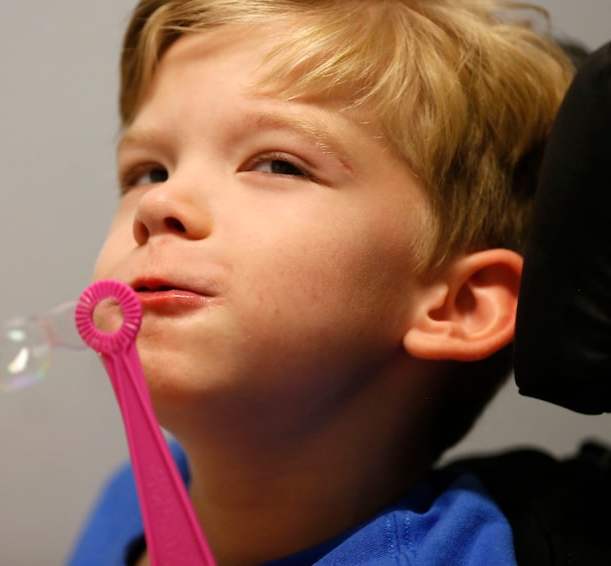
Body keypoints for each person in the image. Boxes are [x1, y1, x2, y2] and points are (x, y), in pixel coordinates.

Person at [68, 1, 575, 564]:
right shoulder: (127, 507)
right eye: (148, 171)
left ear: (460, 305)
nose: (159, 203)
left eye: (278, 165)